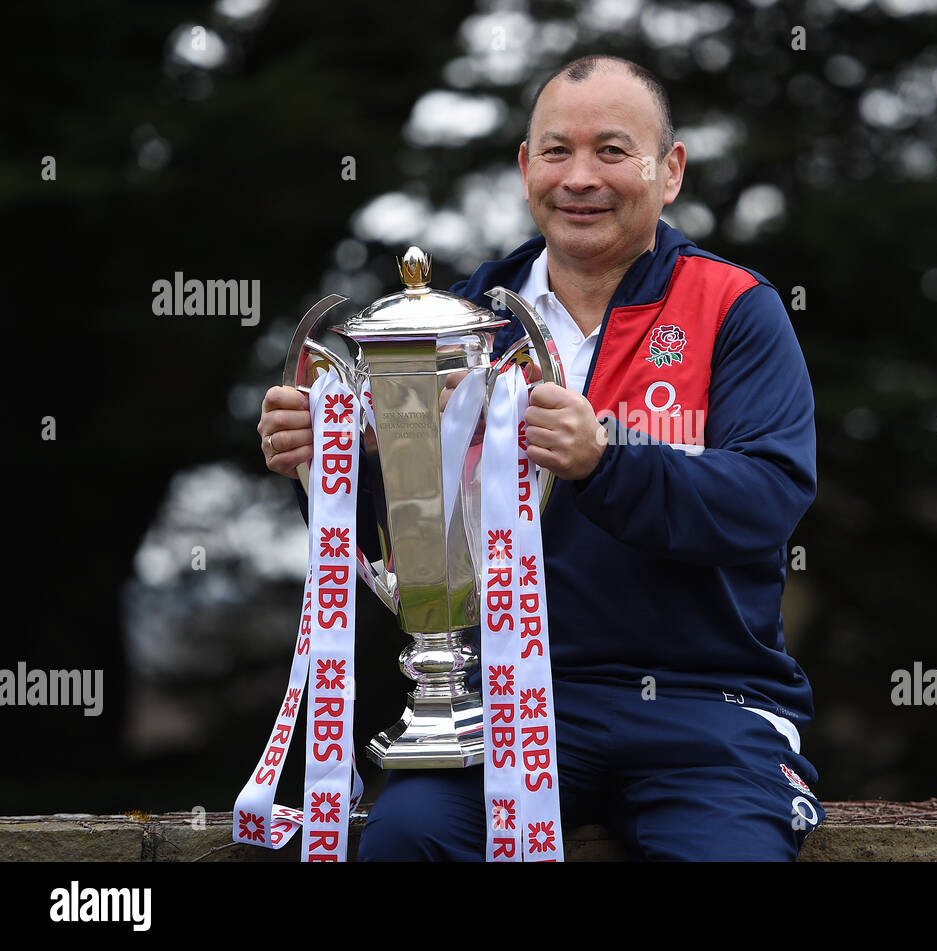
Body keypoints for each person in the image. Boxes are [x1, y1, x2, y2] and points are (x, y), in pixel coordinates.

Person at [257, 54, 824, 860]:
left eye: (613, 151)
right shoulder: (460, 326)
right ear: (526, 168)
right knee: (404, 842)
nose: (581, 177)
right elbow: (410, 534)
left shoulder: (735, 307)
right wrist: (332, 460)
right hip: (510, 702)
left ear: (671, 171)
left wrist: (607, 463)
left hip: (709, 706)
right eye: (557, 151)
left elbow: (768, 496)